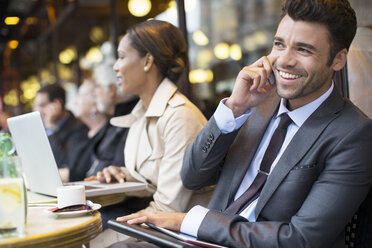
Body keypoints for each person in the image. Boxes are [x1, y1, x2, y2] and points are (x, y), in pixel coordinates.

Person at [115, 1, 372, 247]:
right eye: (279, 45)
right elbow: (192, 176)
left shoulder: (353, 134)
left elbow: (301, 239)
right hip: (193, 239)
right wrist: (234, 109)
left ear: (338, 59)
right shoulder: (257, 101)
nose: (284, 60)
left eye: (303, 50)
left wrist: (190, 221)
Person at [90, 20, 214, 241]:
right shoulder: (141, 115)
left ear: (147, 61)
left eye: (121, 57)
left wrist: (102, 235)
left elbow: (166, 210)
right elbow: (152, 178)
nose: (115, 67)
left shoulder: (180, 116)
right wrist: (120, 175)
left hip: (180, 237)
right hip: (156, 227)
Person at [33, 83, 88, 171]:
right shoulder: (40, 128)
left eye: (42, 105)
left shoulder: (79, 128)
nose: (36, 111)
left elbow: (62, 163)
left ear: (57, 104)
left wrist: (51, 128)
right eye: (36, 106)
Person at [68, 79, 108, 181]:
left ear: (94, 105)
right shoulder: (80, 133)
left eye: (80, 96)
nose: (75, 101)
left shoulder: (109, 136)